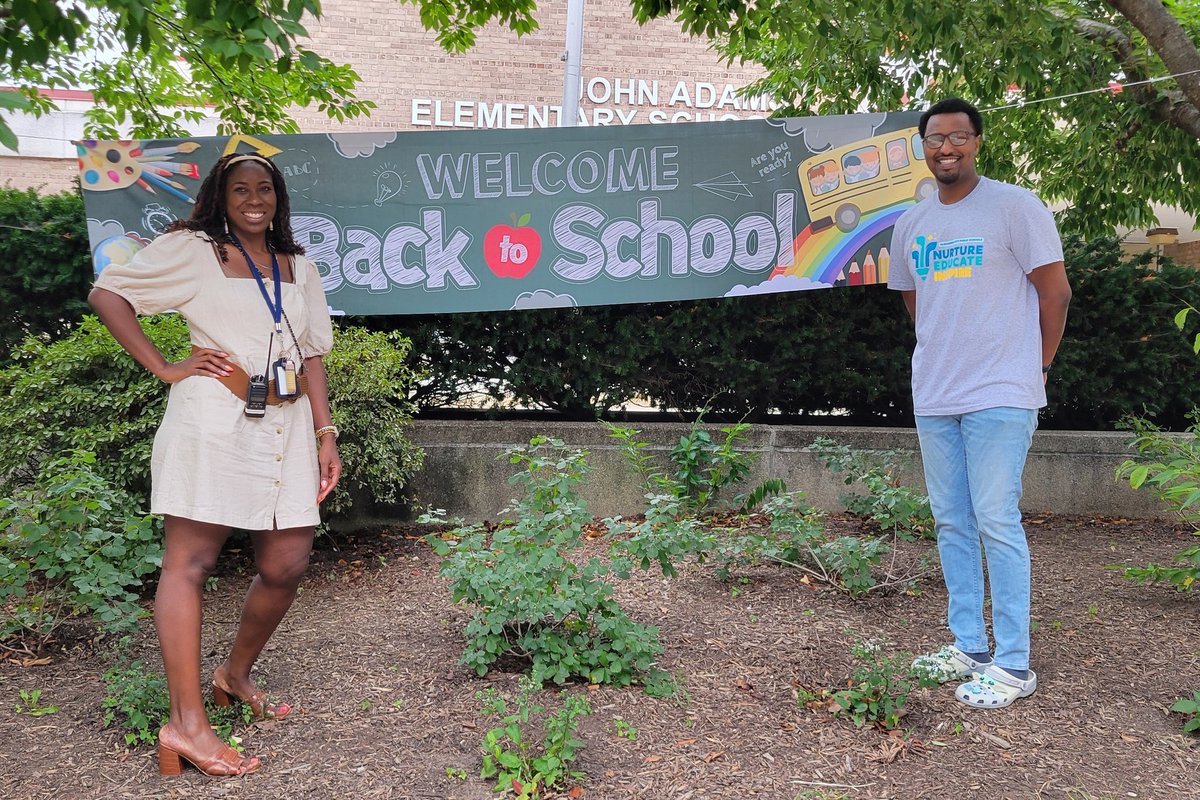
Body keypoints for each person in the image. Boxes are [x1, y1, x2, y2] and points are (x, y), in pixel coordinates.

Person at [89, 152, 341, 774]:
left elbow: (311, 357)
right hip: (212, 421)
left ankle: (232, 675)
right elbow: (108, 293)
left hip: (283, 428)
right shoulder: (194, 250)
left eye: (264, 189)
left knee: (287, 562)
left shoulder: (299, 267)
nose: (253, 199)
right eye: (239, 189)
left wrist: (325, 432)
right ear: (220, 198)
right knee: (190, 563)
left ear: (278, 197)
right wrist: (164, 366)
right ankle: (185, 725)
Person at [887, 98, 1072, 709]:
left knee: (996, 519)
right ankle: (968, 644)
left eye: (958, 137)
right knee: (951, 522)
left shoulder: (1016, 207)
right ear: (923, 147)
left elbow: (1056, 293)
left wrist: (1036, 367)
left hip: (1000, 392)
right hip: (935, 393)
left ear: (977, 142)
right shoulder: (912, 223)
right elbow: (917, 303)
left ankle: (1014, 664)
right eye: (935, 139)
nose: (946, 148)